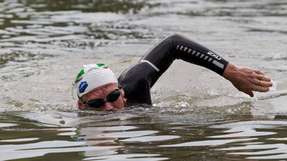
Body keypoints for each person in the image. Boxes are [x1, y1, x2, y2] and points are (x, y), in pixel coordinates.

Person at [73, 34, 273, 110]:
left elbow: (173, 43)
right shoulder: (75, 120)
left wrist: (231, 71)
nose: (108, 107)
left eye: (113, 96)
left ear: (122, 93)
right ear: (81, 107)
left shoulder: (136, 83)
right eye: (97, 104)